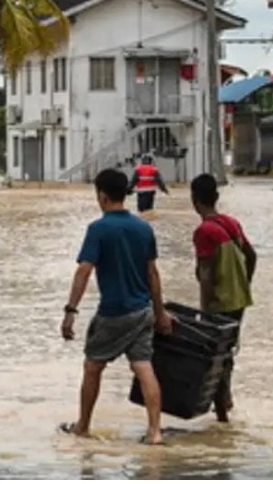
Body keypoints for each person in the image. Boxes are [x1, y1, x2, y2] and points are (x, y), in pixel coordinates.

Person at [60, 168, 173, 444]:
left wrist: (70, 311)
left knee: (92, 367)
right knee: (144, 367)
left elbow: (84, 271)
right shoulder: (144, 228)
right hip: (142, 311)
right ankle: (155, 431)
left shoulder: (98, 229)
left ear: (102, 195)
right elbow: (153, 275)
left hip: (113, 313)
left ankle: (83, 426)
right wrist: (160, 314)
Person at [190, 173, 257, 423]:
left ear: (194, 199)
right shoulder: (231, 223)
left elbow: (206, 274)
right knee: (226, 354)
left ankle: (221, 417)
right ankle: (226, 403)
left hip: (219, 304)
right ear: (216, 197)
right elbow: (252, 257)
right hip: (239, 301)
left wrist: (204, 313)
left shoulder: (204, 231)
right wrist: (242, 284)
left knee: (213, 359)